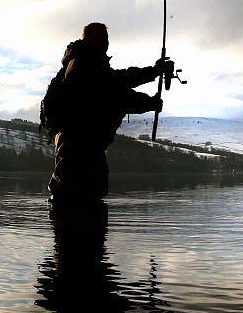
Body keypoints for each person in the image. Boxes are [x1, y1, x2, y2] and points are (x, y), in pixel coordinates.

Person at [47, 22, 170, 202]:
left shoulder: (84, 62)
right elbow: (113, 90)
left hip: (79, 144)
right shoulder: (83, 63)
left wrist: (151, 86)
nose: (105, 42)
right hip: (79, 145)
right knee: (77, 198)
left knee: (79, 198)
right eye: (100, 36)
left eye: (106, 37)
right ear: (87, 38)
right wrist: (150, 93)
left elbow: (113, 89)